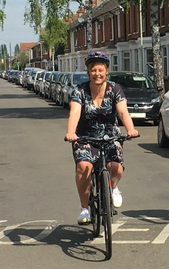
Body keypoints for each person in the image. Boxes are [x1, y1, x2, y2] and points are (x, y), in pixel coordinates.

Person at [65, 51, 138, 225]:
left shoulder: (115, 89)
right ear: (88, 72)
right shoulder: (79, 90)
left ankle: (113, 187)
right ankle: (84, 209)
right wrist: (71, 132)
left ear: (106, 72)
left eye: (100, 70)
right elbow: (74, 112)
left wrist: (131, 129)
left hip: (110, 136)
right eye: (93, 70)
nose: (97, 73)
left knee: (117, 168)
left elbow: (122, 111)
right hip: (84, 137)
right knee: (84, 167)